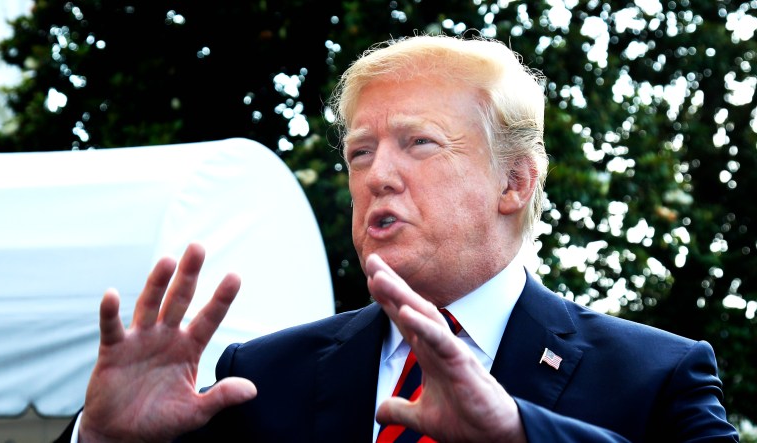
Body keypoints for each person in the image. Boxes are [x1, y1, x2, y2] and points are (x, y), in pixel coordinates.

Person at [56, 34, 738, 442]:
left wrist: (518, 433)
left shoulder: (658, 376)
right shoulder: (259, 379)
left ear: (514, 183)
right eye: (359, 152)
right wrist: (101, 437)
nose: (378, 174)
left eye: (419, 143)